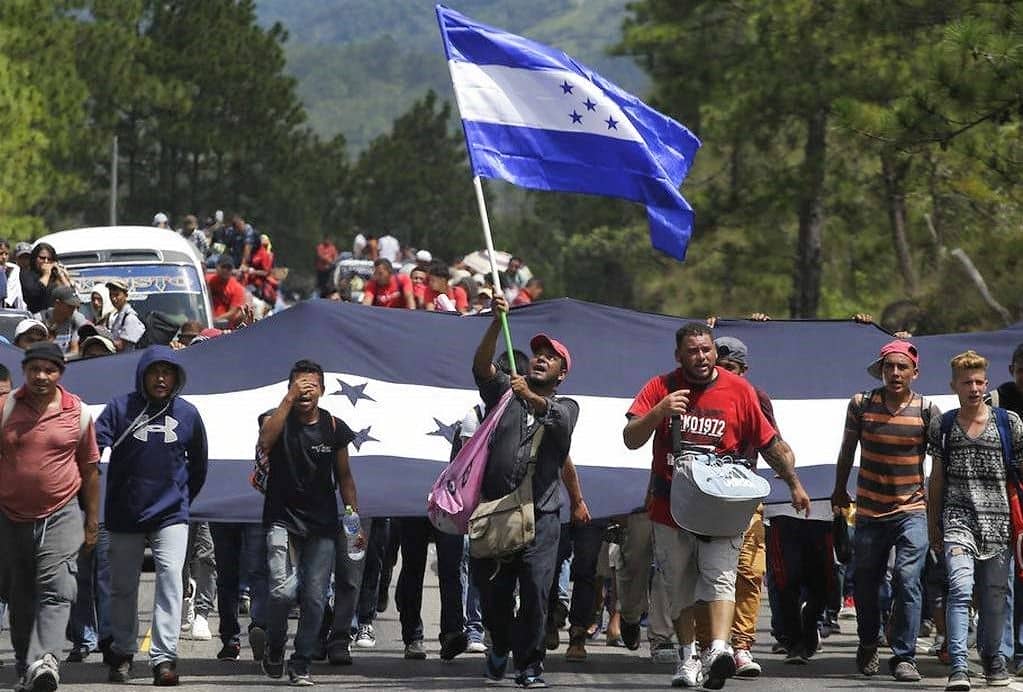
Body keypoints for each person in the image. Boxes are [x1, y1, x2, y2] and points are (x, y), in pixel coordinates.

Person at [623, 321, 809, 690]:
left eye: (706, 349)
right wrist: (659, 412)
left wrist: (793, 483)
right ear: (679, 356)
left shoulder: (739, 390)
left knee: (721, 577)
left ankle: (719, 651)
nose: (701, 357)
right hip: (670, 508)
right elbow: (630, 438)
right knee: (679, 585)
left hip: (722, 507)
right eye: (692, 351)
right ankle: (688, 657)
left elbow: (769, 443)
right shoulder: (660, 386)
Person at [470, 295, 579, 688]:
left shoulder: (568, 405)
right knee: (494, 594)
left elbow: (557, 421)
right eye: (538, 354)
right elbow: (481, 367)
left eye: (551, 357)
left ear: (561, 374)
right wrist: (495, 322)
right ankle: (500, 643)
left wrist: (529, 396)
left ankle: (530, 665)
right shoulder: (504, 393)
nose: (541, 359)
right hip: (497, 512)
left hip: (542, 515)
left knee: (535, 591)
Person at [96, 347, 208, 686]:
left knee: (171, 581)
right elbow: (91, 449)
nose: (161, 378)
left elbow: (199, 465)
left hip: (171, 513)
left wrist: (181, 497)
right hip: (124, 514)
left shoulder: (188, 414)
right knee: (123, 587)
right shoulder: (119, 408)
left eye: (168, 372)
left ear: (176, 378)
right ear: (142, 375)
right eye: (154, 371)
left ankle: (163, 658)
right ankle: (123, 652)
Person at [832, 340, 940, 682]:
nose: (895, 373)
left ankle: (904, 656)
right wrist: (838, 490)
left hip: (912, 509)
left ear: (914, 373)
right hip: (870, 510)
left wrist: (937, 509)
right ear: (880, 370)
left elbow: (939, 464)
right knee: (867, 582)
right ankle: (868, 641)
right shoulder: (861, 404)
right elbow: (847, 449)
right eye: (889, 367)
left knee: (908, 579)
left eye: (902, 367)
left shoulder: (927, 410)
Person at [0, 342, 101, 691]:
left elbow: (90, 470)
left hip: (61, 512)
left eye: (49, 369)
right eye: (34, 369)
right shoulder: (6, 407)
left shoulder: (78, 412)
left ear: (60, 373)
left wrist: (92, 522)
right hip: (11, 517)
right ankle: (26, 666)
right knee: (20, 596)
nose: (41, 376)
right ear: (24, 371)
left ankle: (45, 661)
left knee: (58, 589)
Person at [258, 359, 364, 687]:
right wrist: (289, 399)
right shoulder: (275, 418)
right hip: (281, 519)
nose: (306, 391)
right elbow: (265, 441)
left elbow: (345, 477)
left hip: (321, 525)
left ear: (322, 390)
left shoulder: (334, 427)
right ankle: (275, 647)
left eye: (312, 385)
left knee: (315, 598)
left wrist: (353, 518)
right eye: (299, 385)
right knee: (282, 592)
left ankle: (301, 662)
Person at [928, 350, 1023, 690]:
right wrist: (933, 523)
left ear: (986, 384)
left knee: (996, 594)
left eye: (979, 382)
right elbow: (936, 478)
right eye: (966, 382)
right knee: (960, 588)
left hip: (999, 524)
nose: (974, 388)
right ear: (953, 385)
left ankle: (994, 657)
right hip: (958, 520)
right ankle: (959, 665)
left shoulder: (1009, 423)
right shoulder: (943, 425)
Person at [36, 286, 87, 357]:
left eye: (75, 306)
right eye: (70, 306)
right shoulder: (39, 319)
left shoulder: (76, 320)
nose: (73, 309)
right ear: (57, 303)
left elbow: (74, 351)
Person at [22, 242, 71, 313]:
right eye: (42, 258)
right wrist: (46, 274)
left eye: (49, 259)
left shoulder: (55, 275)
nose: (46, 261)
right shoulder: (27, 274)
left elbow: (69, 295)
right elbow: (34, 294)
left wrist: (61, 275)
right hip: (37, 315)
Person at [106, 280, 145, 352]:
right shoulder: (118, 317)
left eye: (116, 295)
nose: (113, 299)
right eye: (111, 295)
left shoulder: (130, 318)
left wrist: (105, 337)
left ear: (126, 295)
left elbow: (120, 346)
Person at [207, 257, 246, 328]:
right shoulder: (208, 280)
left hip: (224, 326)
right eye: (223, 267)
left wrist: (214, 320)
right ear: (217, 267)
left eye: (229, 268)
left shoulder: (237, 288)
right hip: (205, 319)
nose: (225, 270)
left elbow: (232, 313)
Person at [0, 238, 26, 310]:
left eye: (6, 254)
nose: (4, 257)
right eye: (1, 254)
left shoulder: (12, 270)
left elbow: (11, 296)